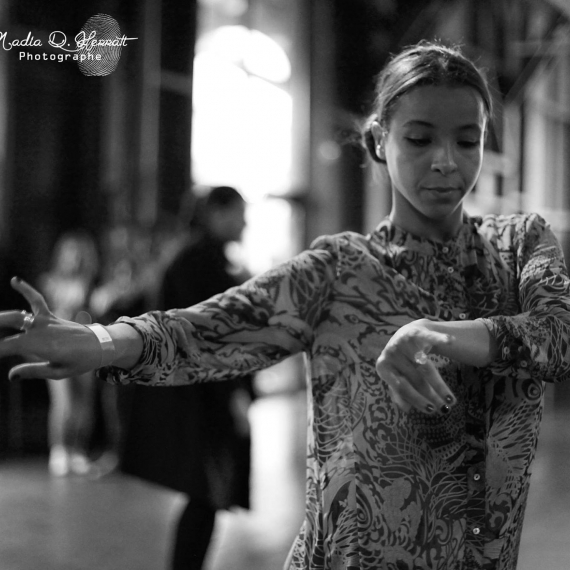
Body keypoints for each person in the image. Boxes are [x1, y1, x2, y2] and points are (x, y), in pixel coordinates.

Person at [1, 40, 569, 570]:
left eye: (467, 140)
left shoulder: (520, 246)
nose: (446, 161)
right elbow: (208, 329)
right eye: (419, 139)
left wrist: (437, 333)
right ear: (379, 140)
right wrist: (100, 341)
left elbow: (558, 336)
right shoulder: (339, 270)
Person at [119, 186, 255, 570]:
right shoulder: (197, 262)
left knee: (206, 496)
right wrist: (234, 394)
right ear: (216, 213)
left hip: (199, 396)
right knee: (206, 494)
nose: (244, 222)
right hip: (202, 400)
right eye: (239, 213)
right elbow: (207, 337)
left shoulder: (197, 258)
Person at [37, 231, 100, 476]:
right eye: (70, 254)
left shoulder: (91, 283)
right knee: (63, 402)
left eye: (79, 255)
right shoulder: (49, 282)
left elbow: (96, 310)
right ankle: (59, 449)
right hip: (56, 347)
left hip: (85, 345)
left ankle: (77, 450)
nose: (74, 259)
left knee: (84, 403)